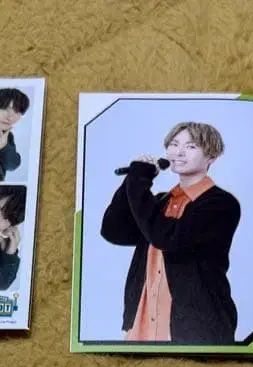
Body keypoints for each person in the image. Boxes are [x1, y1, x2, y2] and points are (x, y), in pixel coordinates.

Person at [100, 121, 241, 345]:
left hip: (197, 329)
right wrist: (132, 179)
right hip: (142, 326)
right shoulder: (159, 203)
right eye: (174, 144)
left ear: (211, 157)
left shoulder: (220, 204)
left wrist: (139, 183)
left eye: (191, 146)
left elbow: (166, 237)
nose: (179, 152)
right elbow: (113, 230)